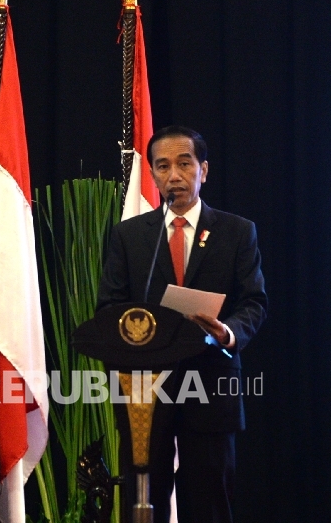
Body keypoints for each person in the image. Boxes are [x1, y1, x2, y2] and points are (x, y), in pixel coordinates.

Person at [97, 125, 267, 523]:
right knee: (144, 500)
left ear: (203, 170)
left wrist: (227, 332)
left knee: (209, 501)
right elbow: (110, 305)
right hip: (145, 390)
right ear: (153, 175)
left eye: (184, 163)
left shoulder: (237, 231)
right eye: (163, 166)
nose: (174, 175)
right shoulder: (129, 236)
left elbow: (254, 302)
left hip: (210, 382)